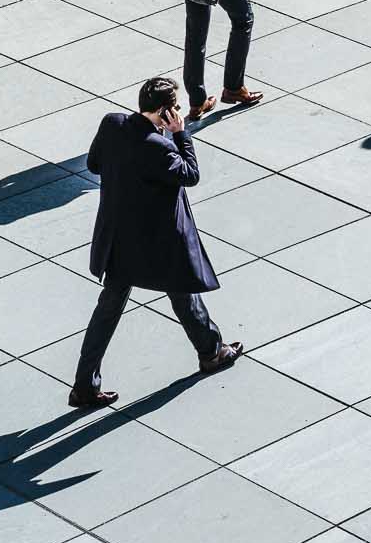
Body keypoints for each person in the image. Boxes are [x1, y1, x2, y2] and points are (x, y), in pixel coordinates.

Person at [69, 76, 243, 408]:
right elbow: (191, 175)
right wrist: (180, 134)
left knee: (108, 310)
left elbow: (94, 164)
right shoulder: (160, 146)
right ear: (163, 111)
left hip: (119, 240)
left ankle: (84, 384)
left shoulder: (112, 124)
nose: (178, 112)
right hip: (157, 240)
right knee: (183, 295)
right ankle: (211, 353)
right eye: (175, 107)